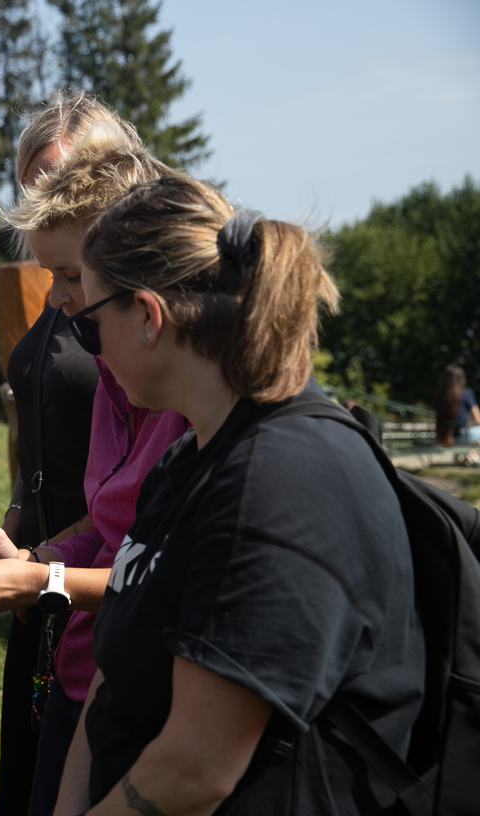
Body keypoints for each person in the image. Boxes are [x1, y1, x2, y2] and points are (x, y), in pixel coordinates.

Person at [53, 174, 423, 815]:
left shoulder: (279, 483)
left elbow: (197, 769)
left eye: (92, 324)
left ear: (148, 317)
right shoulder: (185, 462)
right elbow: (114, 682)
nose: (94, 350)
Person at [0, 120, 186, 816]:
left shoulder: (192, 414)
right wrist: (31, 556)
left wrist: (41, 578)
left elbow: (162, 576)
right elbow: (106, 523)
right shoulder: (111, 374)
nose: (58, 298)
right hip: (85, 661)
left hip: (144, 681)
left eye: (70, 276)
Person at [0, 89, 138, 816]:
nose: (49, 196)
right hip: (59, 565)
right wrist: (25, 532)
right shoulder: (61, 300)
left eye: (62, 177)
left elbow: (149, 557)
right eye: (34, 184)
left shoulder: (130, 345)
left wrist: (45, 568)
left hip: (102, 581)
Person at [435, 364, 480, 446]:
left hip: (443, 437)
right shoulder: (466, 393)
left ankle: (471, 451)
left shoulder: (439, 395)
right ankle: (472, 450)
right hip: (463, 436)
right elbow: (477, 419)